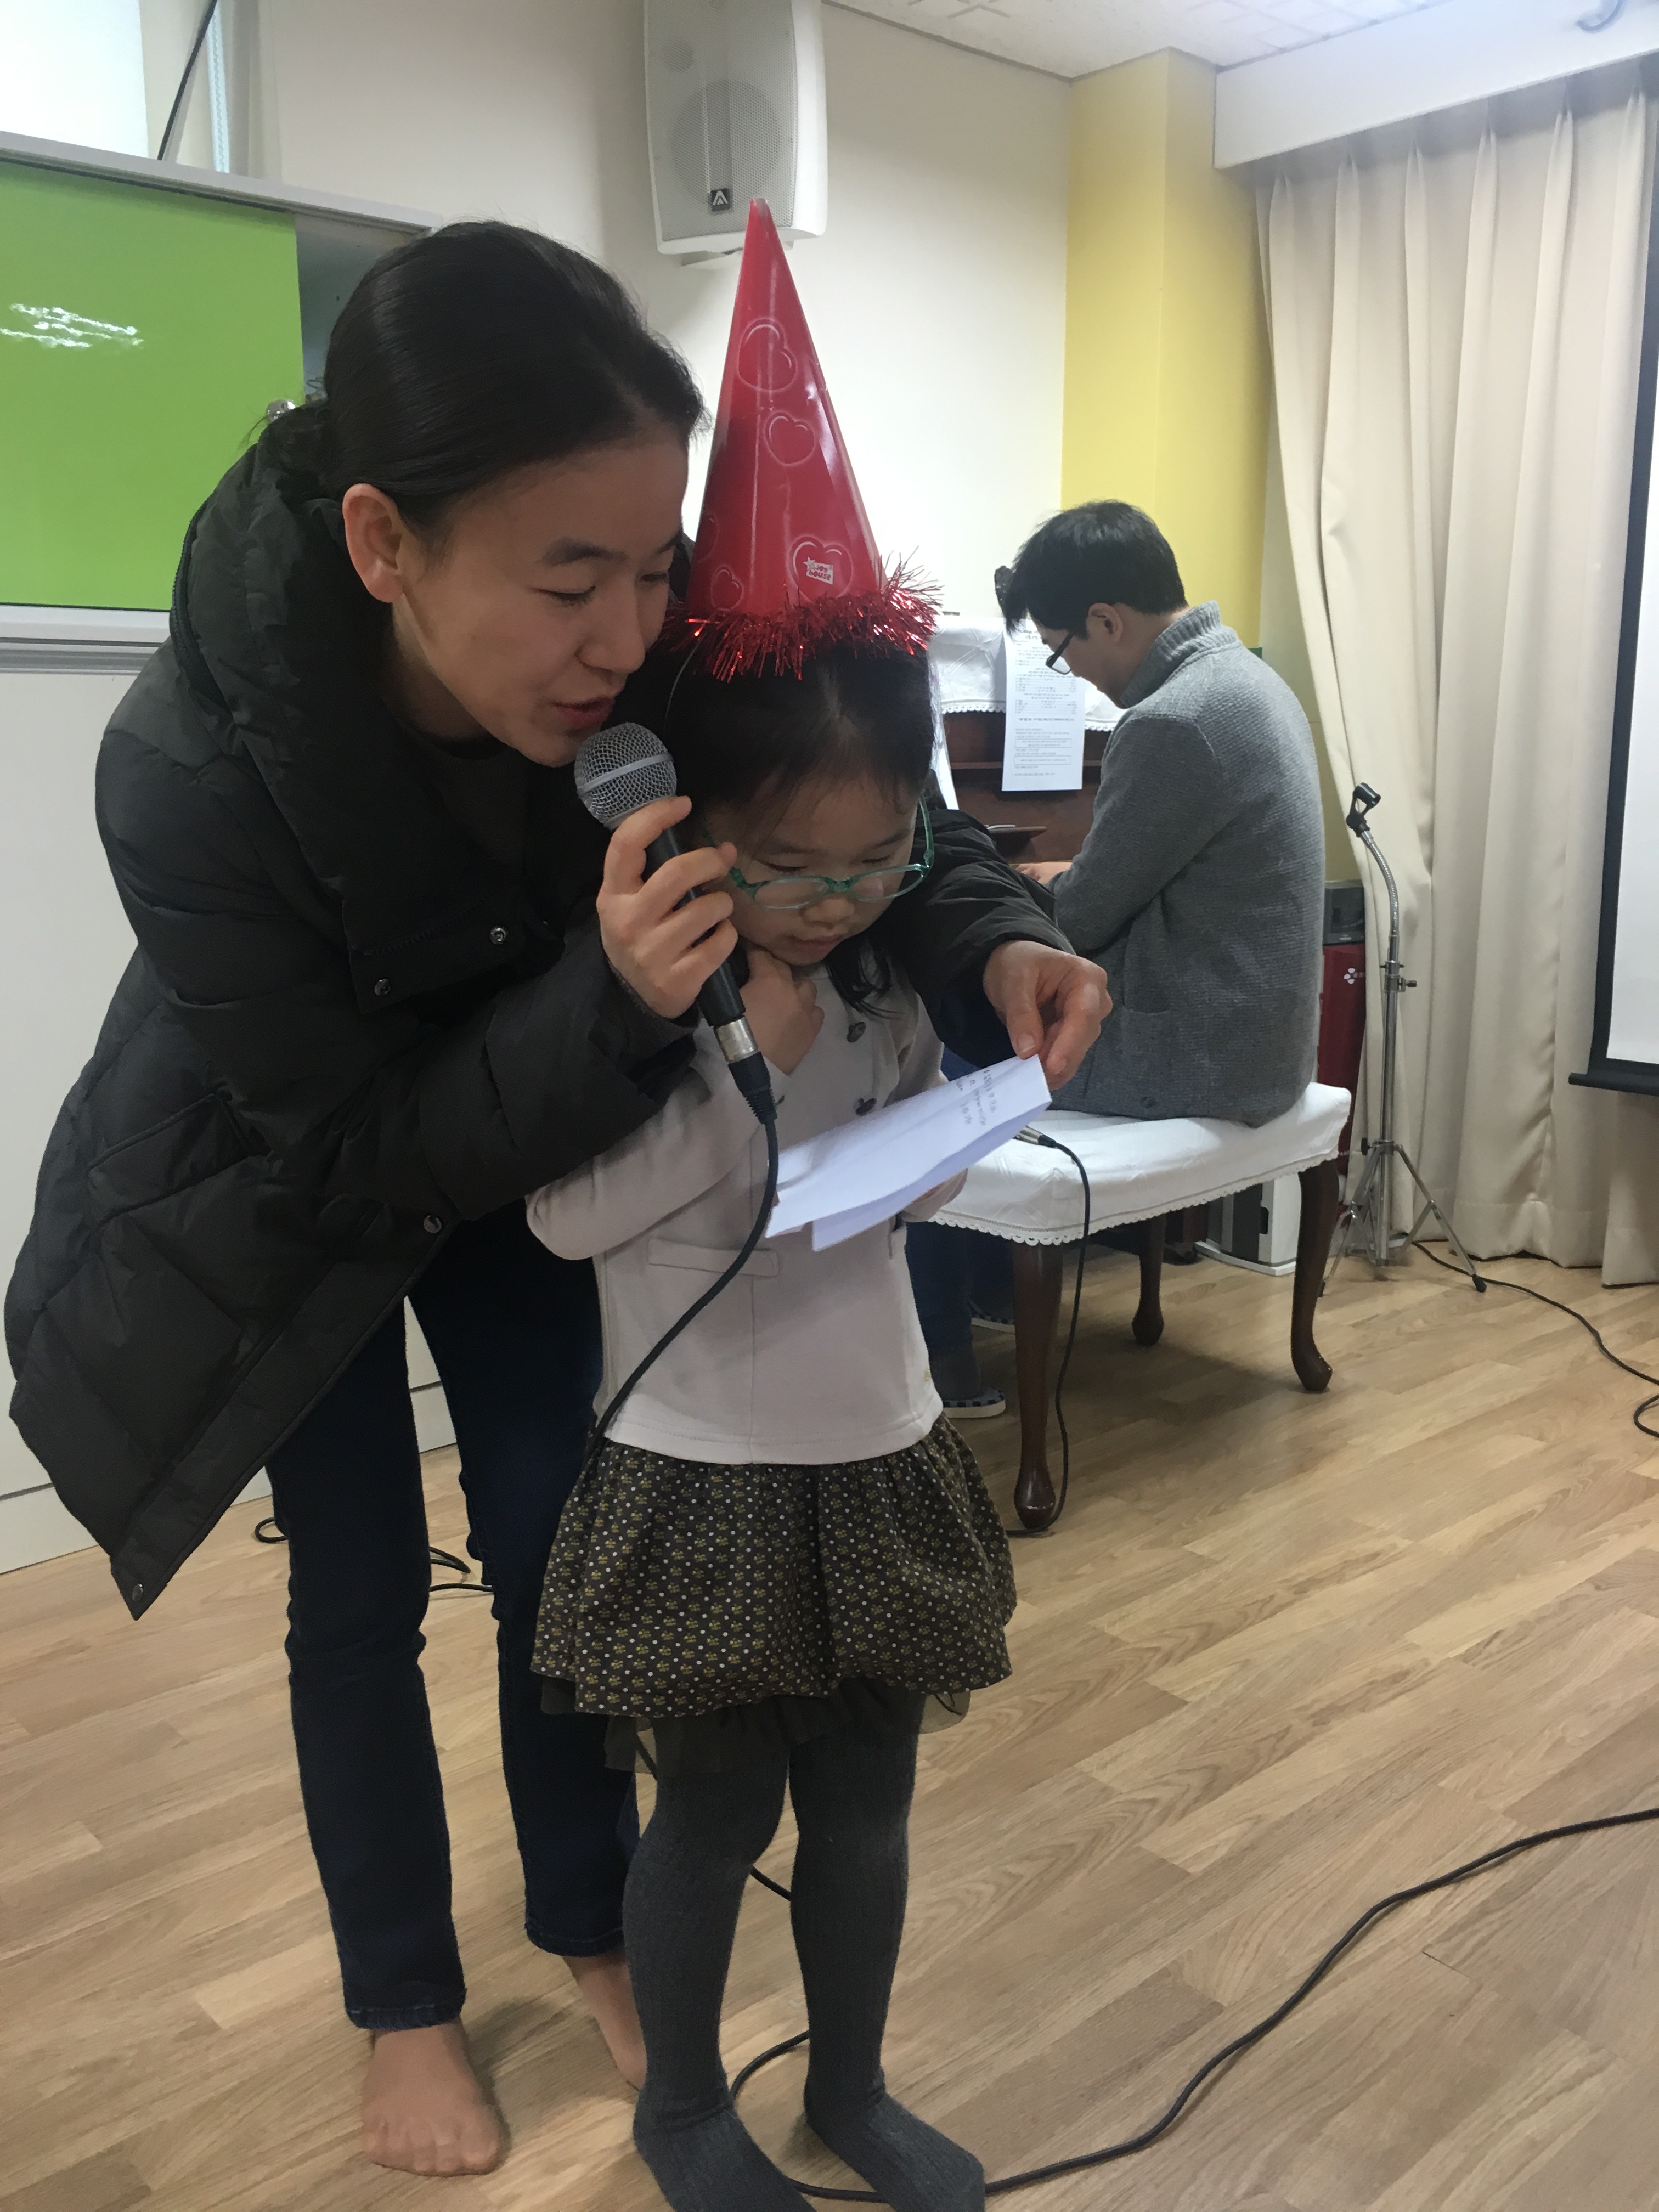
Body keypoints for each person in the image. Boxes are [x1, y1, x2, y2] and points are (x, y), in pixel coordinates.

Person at [3, 221, 1107, 2178]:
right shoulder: (183, 768)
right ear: (382, 544)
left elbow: (840, 803)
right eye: (570, 579)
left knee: (553, 1553)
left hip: (542, 1132)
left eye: (658, 566)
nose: (627, 635)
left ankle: (593, 1920)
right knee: (357, 1588)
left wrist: (997, 932)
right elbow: (352, 1153)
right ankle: (403, 2003)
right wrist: (607, 1002)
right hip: (286, 1193)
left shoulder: (640, 646)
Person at [530, 201, 1009, 2212]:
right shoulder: (638, 1011)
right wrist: (729, 1055)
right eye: (794, 869)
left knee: (871, 1804)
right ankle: (681, 2108)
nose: (837, 901)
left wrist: (962, 1104)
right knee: (711, 1811)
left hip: (875, 1443)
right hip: (701, 1467)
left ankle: (855, 2086)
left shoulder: (887, 974)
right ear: (687, 830)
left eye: (875, 862)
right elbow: (570, 1226)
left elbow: (885, 1191)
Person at [1000, 500, 1325, 1126]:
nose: (1074, 674)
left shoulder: (1173, 721)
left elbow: (1080, 918)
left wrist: (1012, 889)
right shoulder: (1250, 680)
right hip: (1262, 1052)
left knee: (949, 1048)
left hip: (1194, 1064)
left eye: (1058, 651)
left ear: (1105, 621)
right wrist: (1068, 872)